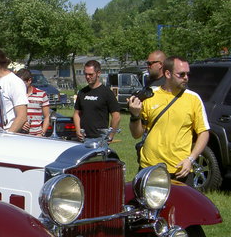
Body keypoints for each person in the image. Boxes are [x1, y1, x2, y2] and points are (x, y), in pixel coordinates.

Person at [128, 56, 209, 185]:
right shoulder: (150, 96)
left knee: (182, 206)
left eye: (187, 74)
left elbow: (204, 133)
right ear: (168, 74)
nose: (186, 78)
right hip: (150, 168)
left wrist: (190, 159)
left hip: (180, 170)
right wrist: (135, 115)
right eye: (181, 74)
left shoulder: (193, 99)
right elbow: (136, 134)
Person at [73, 60, 120, 141]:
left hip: (100, 138)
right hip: (83, 138)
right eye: (86, 74)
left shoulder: (107, 92)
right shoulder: (82, 92)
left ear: (98, 73)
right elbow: (76, 114)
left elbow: (116, 116)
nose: (87, 77)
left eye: (90, 74)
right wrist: (78, 130)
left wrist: (110, 135)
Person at [15, 68, 50, 136]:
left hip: (36, 135)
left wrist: (42, 133)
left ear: (29, 81)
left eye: (21, 83)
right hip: (19, 134)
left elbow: (47, 117)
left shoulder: (41, 94)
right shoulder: (16, 95)